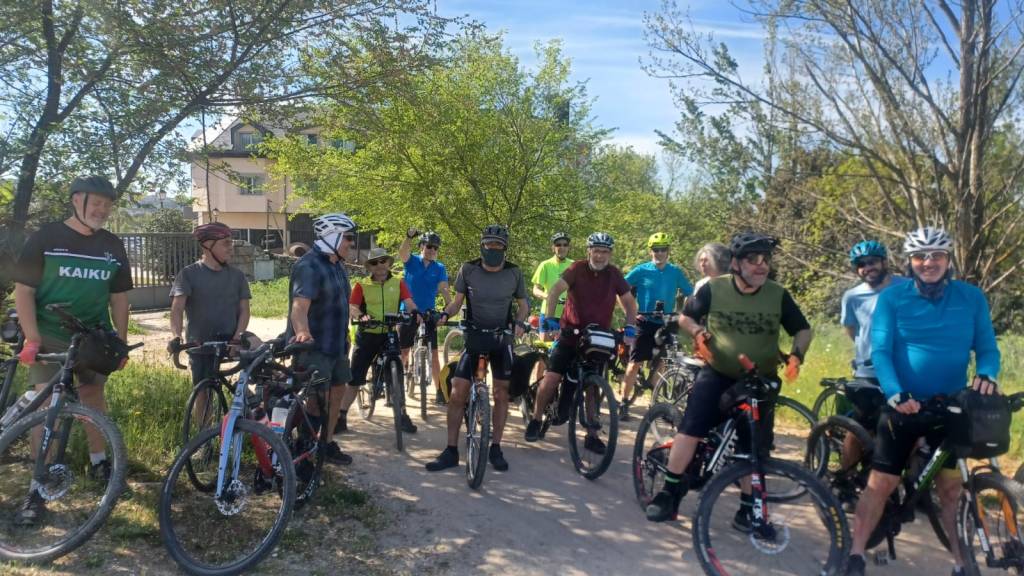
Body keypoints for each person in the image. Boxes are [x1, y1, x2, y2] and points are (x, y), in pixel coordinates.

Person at [844, 227, 1000, 576]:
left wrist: (987, 373)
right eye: (920, 256)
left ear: (948, 260)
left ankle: (961, 563)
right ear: (910, 262)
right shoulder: (893, 298)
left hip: (952, 406)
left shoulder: (971, 297)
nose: (928, 263)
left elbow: (987, 347)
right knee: (881, 483)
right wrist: (895, 392)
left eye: (936, 256)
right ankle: (855, 554)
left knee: (951, 490)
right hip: (904, 404)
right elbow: (881, 351)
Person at [645, 232, 813, 528]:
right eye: (753, 260)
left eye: (765, 259)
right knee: (691, 429)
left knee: (754, 447)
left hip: (760, 380)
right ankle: (669, 492)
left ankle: (748, 509)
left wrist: (797, 355)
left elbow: (803, 329)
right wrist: (698, 332)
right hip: (719, 373)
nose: (761, 265)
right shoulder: (715, 288)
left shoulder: (777, 294)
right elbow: (686, 317)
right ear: (735, 263)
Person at [13, 175, 134, 524]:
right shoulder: (47, 237)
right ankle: (38, 487)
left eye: (107, 205)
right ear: (76, 200)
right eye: (96, 203)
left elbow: (119, 298)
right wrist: (32, 338)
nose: (102, 210)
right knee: (46, 406)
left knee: (93, 397)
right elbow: (24, 290)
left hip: (92, 337)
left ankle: (99, 463)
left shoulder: (112, 244)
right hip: (50, 334)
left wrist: (120, 342)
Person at [424, 225, 529, 473]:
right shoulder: (468, 269)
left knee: (501, 393)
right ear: (482, 245)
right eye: (489, 244)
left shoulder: (514, 272)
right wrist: (444, 314)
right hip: (475, 337)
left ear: (505, 248)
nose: (493, 249)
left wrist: (520, 322)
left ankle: (496, 448)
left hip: (501, 338)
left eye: (498, 245)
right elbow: (456, 302)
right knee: (458, 391)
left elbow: (523, 305)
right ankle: (451, 450)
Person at [525, 232, 638, 451]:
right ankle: (536, 419)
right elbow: (555, 291)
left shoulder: (614, 274)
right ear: (589, 251)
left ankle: (592, 435)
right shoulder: (577, 268)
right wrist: (551, 319)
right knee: (551, 378)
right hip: (571, 334)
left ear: (610, 254)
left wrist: (630, 326)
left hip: (597, 338)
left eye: (604, 252)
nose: (600, 256)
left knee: (593, 386)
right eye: (596, 251)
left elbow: (629, 303)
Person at [287, 212, 358, 466]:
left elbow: (341, 302)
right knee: (316, 401)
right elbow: (299, 307)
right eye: (347, 237)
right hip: (314, 348)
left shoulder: (337, 265)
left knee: (337, 392)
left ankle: (325, 444)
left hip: (337, 344)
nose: (351, 243)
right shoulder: (308, 266)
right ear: (332, 236)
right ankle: (304, 451)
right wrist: (302, 332)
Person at [835, 240, 908, 469]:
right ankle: (844, 475)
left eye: (872, 262)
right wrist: (867, 348)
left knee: (907, 426)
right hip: (869, 370)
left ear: (884, 262)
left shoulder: (907, 286)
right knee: (860, 427)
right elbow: (851, 329)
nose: (867, 268)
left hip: (904, 369)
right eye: (861, 264)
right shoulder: (852, 296)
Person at [342, 247, 418, 434]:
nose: (380, 265)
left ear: (388, 263)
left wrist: (416, 313)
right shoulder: (362, 285)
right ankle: (340, 416)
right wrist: (362, 316)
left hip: (389, 334)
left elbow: (409, 303)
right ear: (370, 267)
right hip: (367, 334)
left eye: (383, 261)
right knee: (355, 378)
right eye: (375, 263)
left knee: (397, 373)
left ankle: (402, 415)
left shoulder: (398, 283)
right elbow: (352, 307)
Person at [619, 232, 693, 420]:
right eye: (656, 249)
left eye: (663, 249)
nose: (659, 253)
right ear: (650, 251)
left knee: (662, 363)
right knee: (634, 364)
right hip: (644, 322)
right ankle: (624, 403)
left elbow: (690, 293)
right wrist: (630, 311)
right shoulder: (641, 270)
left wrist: (686, 313)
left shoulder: (675, 271)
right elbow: (620, 289)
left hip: (665, 323)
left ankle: (655, 404)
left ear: (668, 251)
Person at [168, 222, 252, 387]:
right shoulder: (188, 274)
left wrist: (237, 338)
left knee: (260, 355)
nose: (231, 248)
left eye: (231, 243)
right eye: (226, 243)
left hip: (231, 341)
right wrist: (176, 336)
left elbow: (244, 310)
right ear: (208, 245)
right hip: (200, 344)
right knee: (202, 390)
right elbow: (177, 309)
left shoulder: (237, 276)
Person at [398, 229, 451, 404]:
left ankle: (439, 391)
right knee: (404, 351)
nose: (432, 250)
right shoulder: (412, 260)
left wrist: (447, 308)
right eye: (429, 246)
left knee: (434, 354)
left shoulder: (439, 268)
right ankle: (396, 386)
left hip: (428, 314)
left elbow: (444, 289)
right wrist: (408, 237)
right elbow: (402, 252)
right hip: (409, 311)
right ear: (421, 246)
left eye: (435, 248)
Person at [531, 232, 573, 341]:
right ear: (553, 248)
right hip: (548, 312)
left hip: (568, 315)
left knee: (567, 346)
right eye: (558, 245)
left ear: (569, 248)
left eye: (565, 245)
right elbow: (535, 289)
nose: (562, 247)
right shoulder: (545, 265)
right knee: (545, 346)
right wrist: (548, 296)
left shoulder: (574, 266)